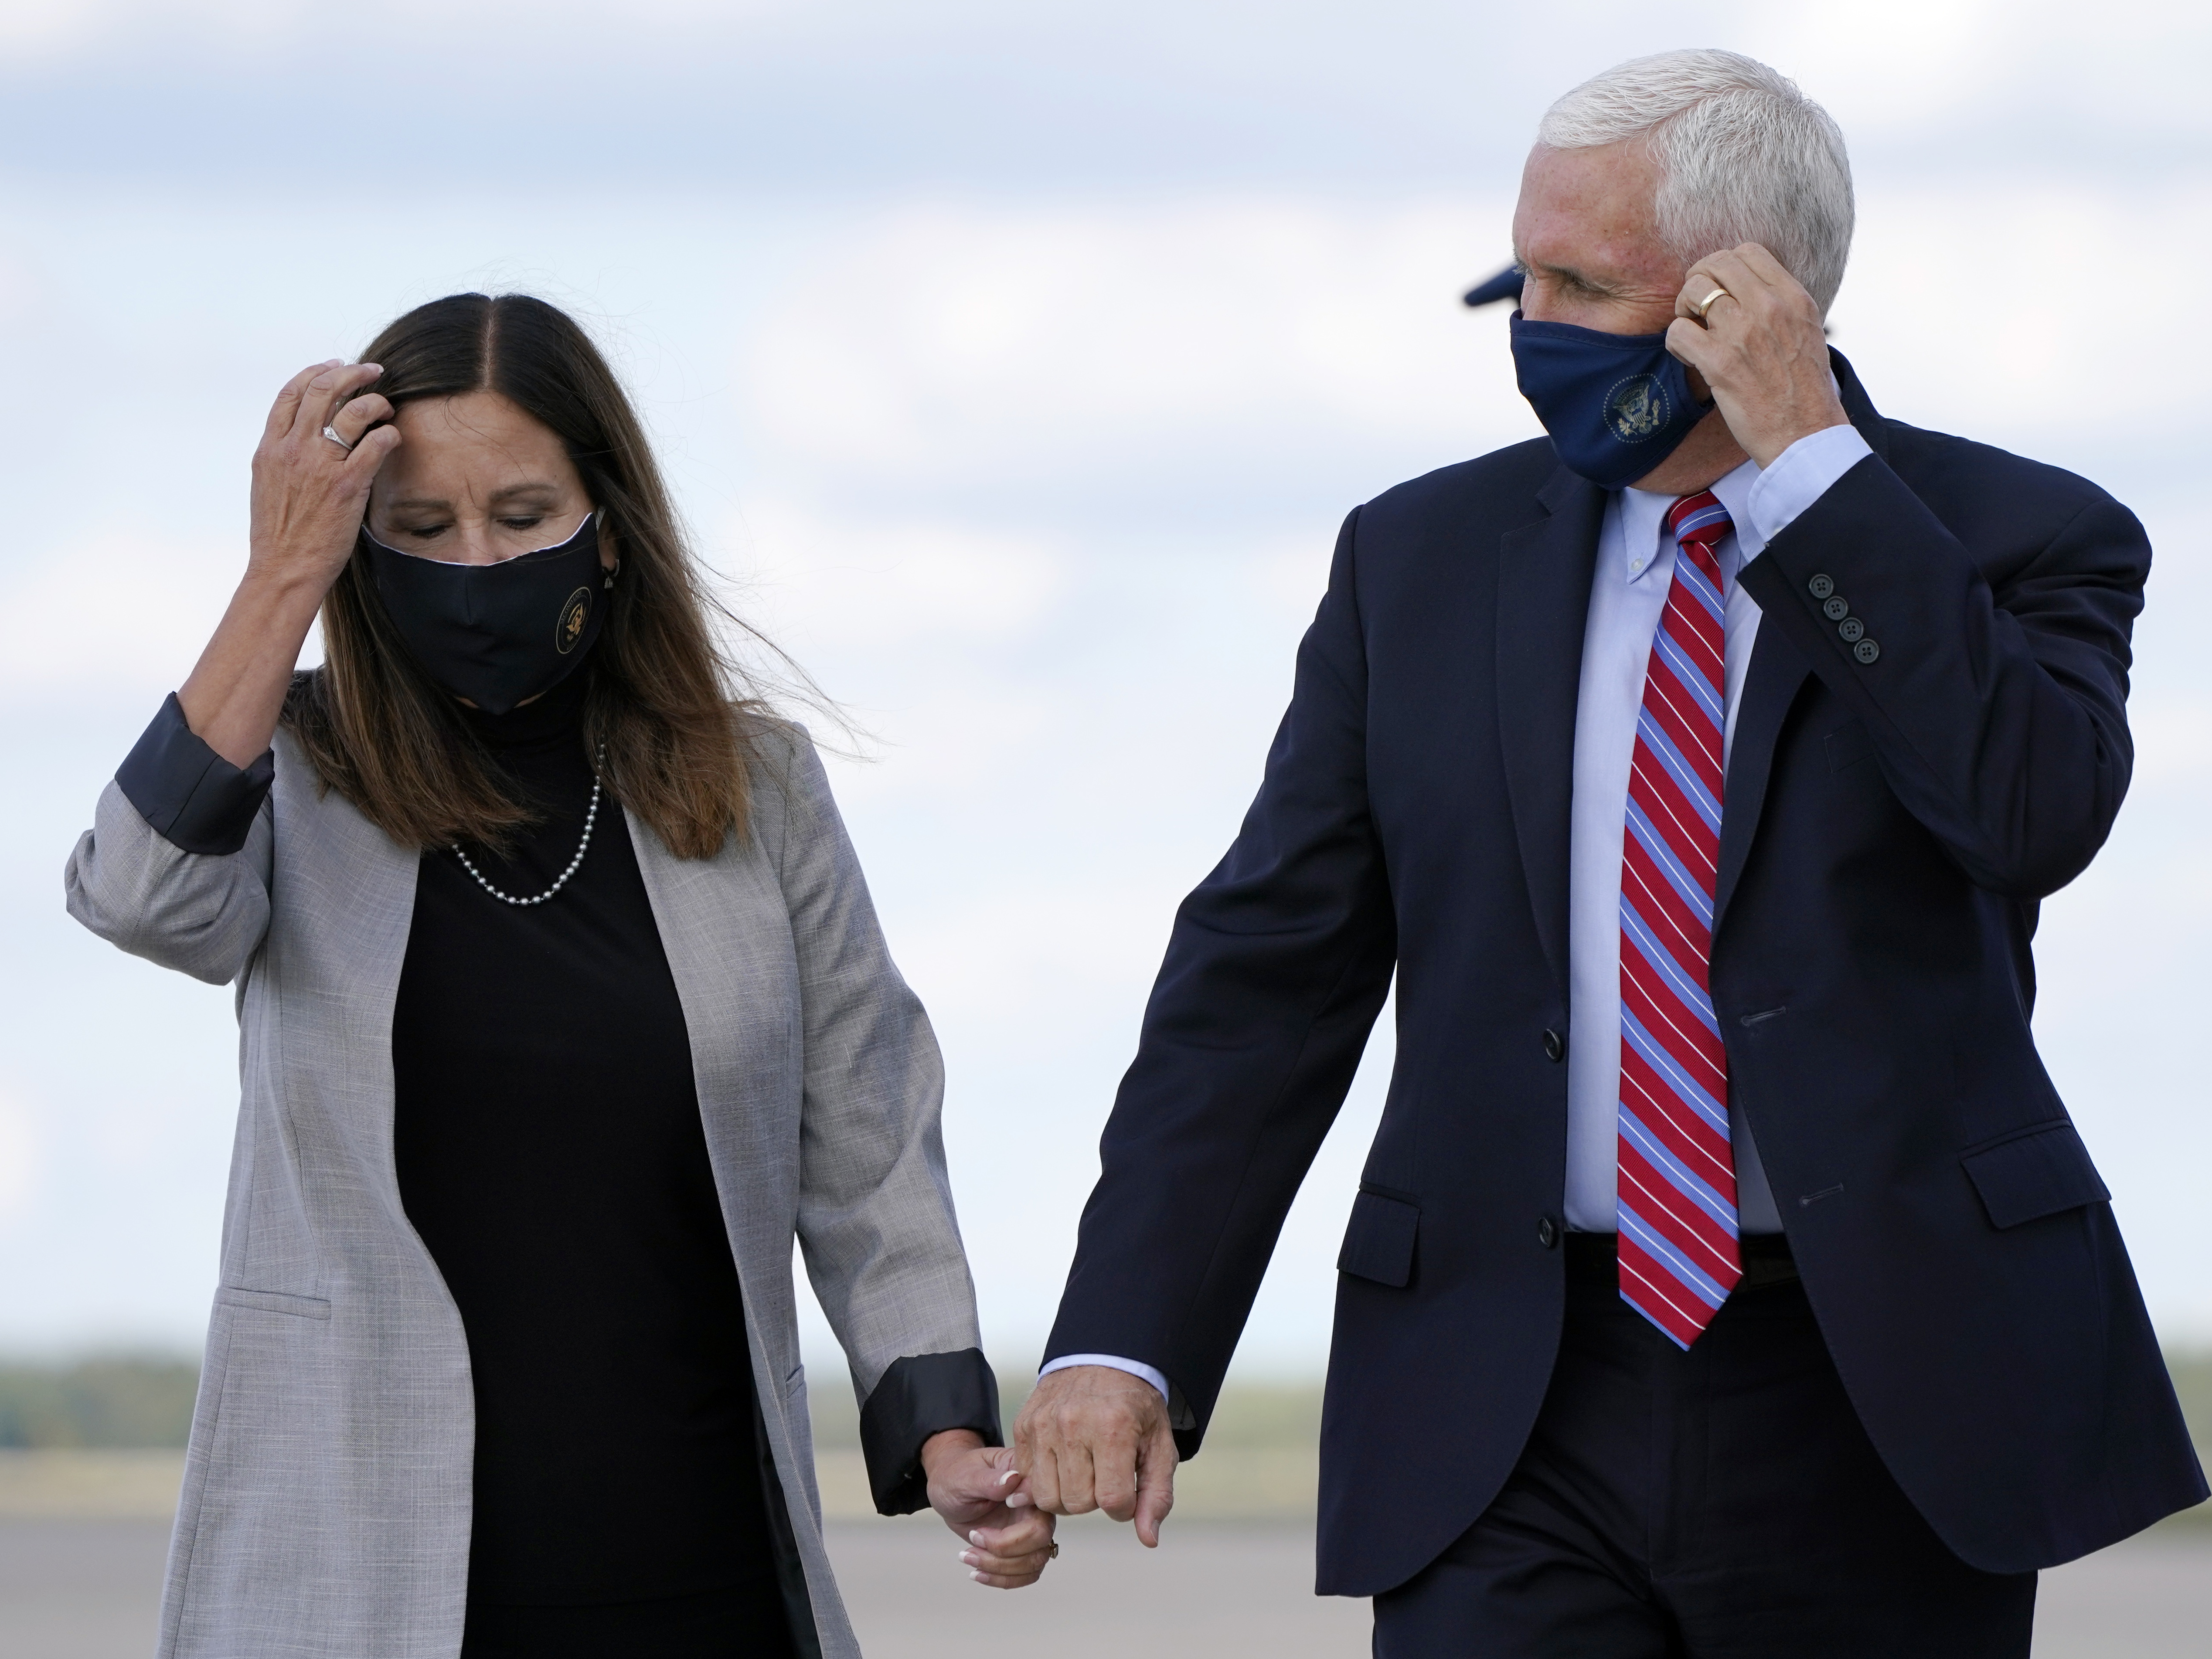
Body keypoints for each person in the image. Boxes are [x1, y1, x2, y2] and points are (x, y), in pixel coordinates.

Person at [1013, 48, 2206, 1657]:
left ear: (1749, 296)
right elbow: (1264, 977)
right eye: (1525, 279)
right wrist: (1125, 1342)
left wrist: (1811, 471)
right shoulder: (1416, 561)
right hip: (1502, 1396)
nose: (1532, 330)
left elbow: (2027, 813)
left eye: (1585, 286)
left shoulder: (2017, 538)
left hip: (1883, 1393)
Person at [65, 293, 1054, 1659]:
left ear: (609, 520)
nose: (476, 563)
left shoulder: (754, 783)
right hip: (359, 1572)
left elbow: (868, 1130)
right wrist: (278, 575)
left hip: (695, 1561)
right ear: (362, 544)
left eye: (523, 517)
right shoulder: (284, 769)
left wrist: (939, 1423)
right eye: (420, 530)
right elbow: (139, 897)